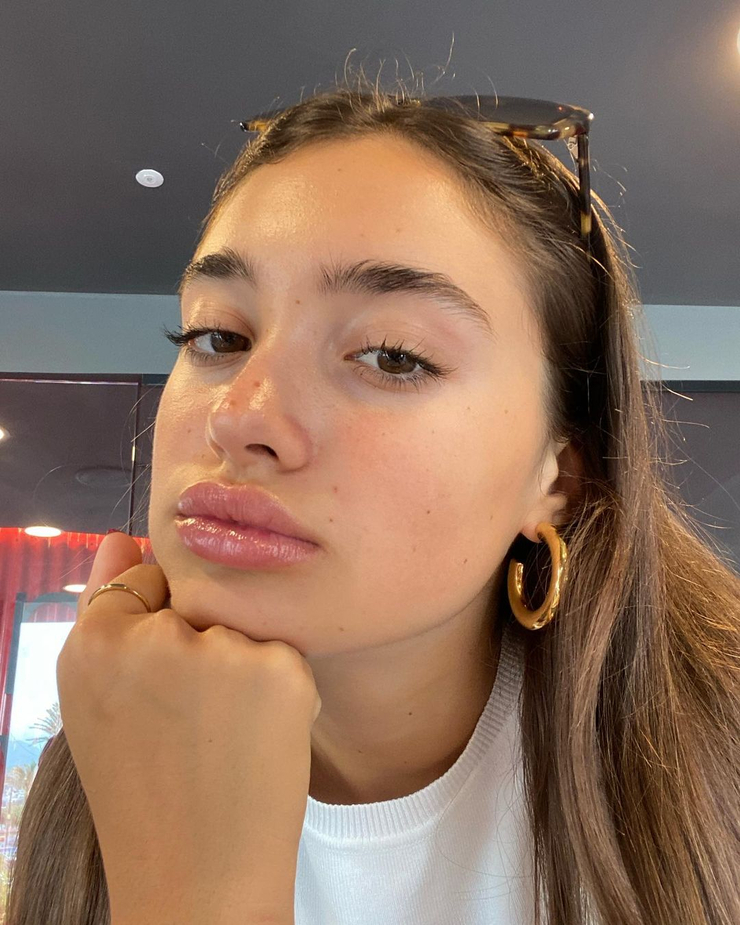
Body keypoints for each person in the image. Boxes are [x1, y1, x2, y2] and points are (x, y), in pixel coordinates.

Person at [9, 75, 739, 925]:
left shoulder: (712, 780)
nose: (238, 415)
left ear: (558, 477)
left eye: (393, 355)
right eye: (217, 335)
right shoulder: (113, 748)